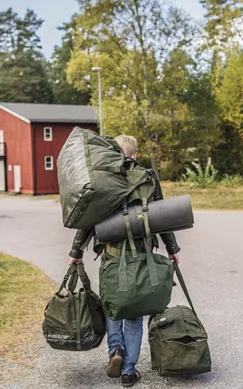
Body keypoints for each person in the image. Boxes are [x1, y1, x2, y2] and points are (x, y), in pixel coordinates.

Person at [69, 135, 181, 387]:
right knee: (134, 312)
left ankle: (115, 350)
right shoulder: (147, 177)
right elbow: (161, 216)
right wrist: (172, 248)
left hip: (111, 256)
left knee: (113, 306)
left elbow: (88, 220)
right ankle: (129, 371)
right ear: (135, 154)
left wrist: (76, 252)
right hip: (142, 256)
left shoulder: (102, 180)